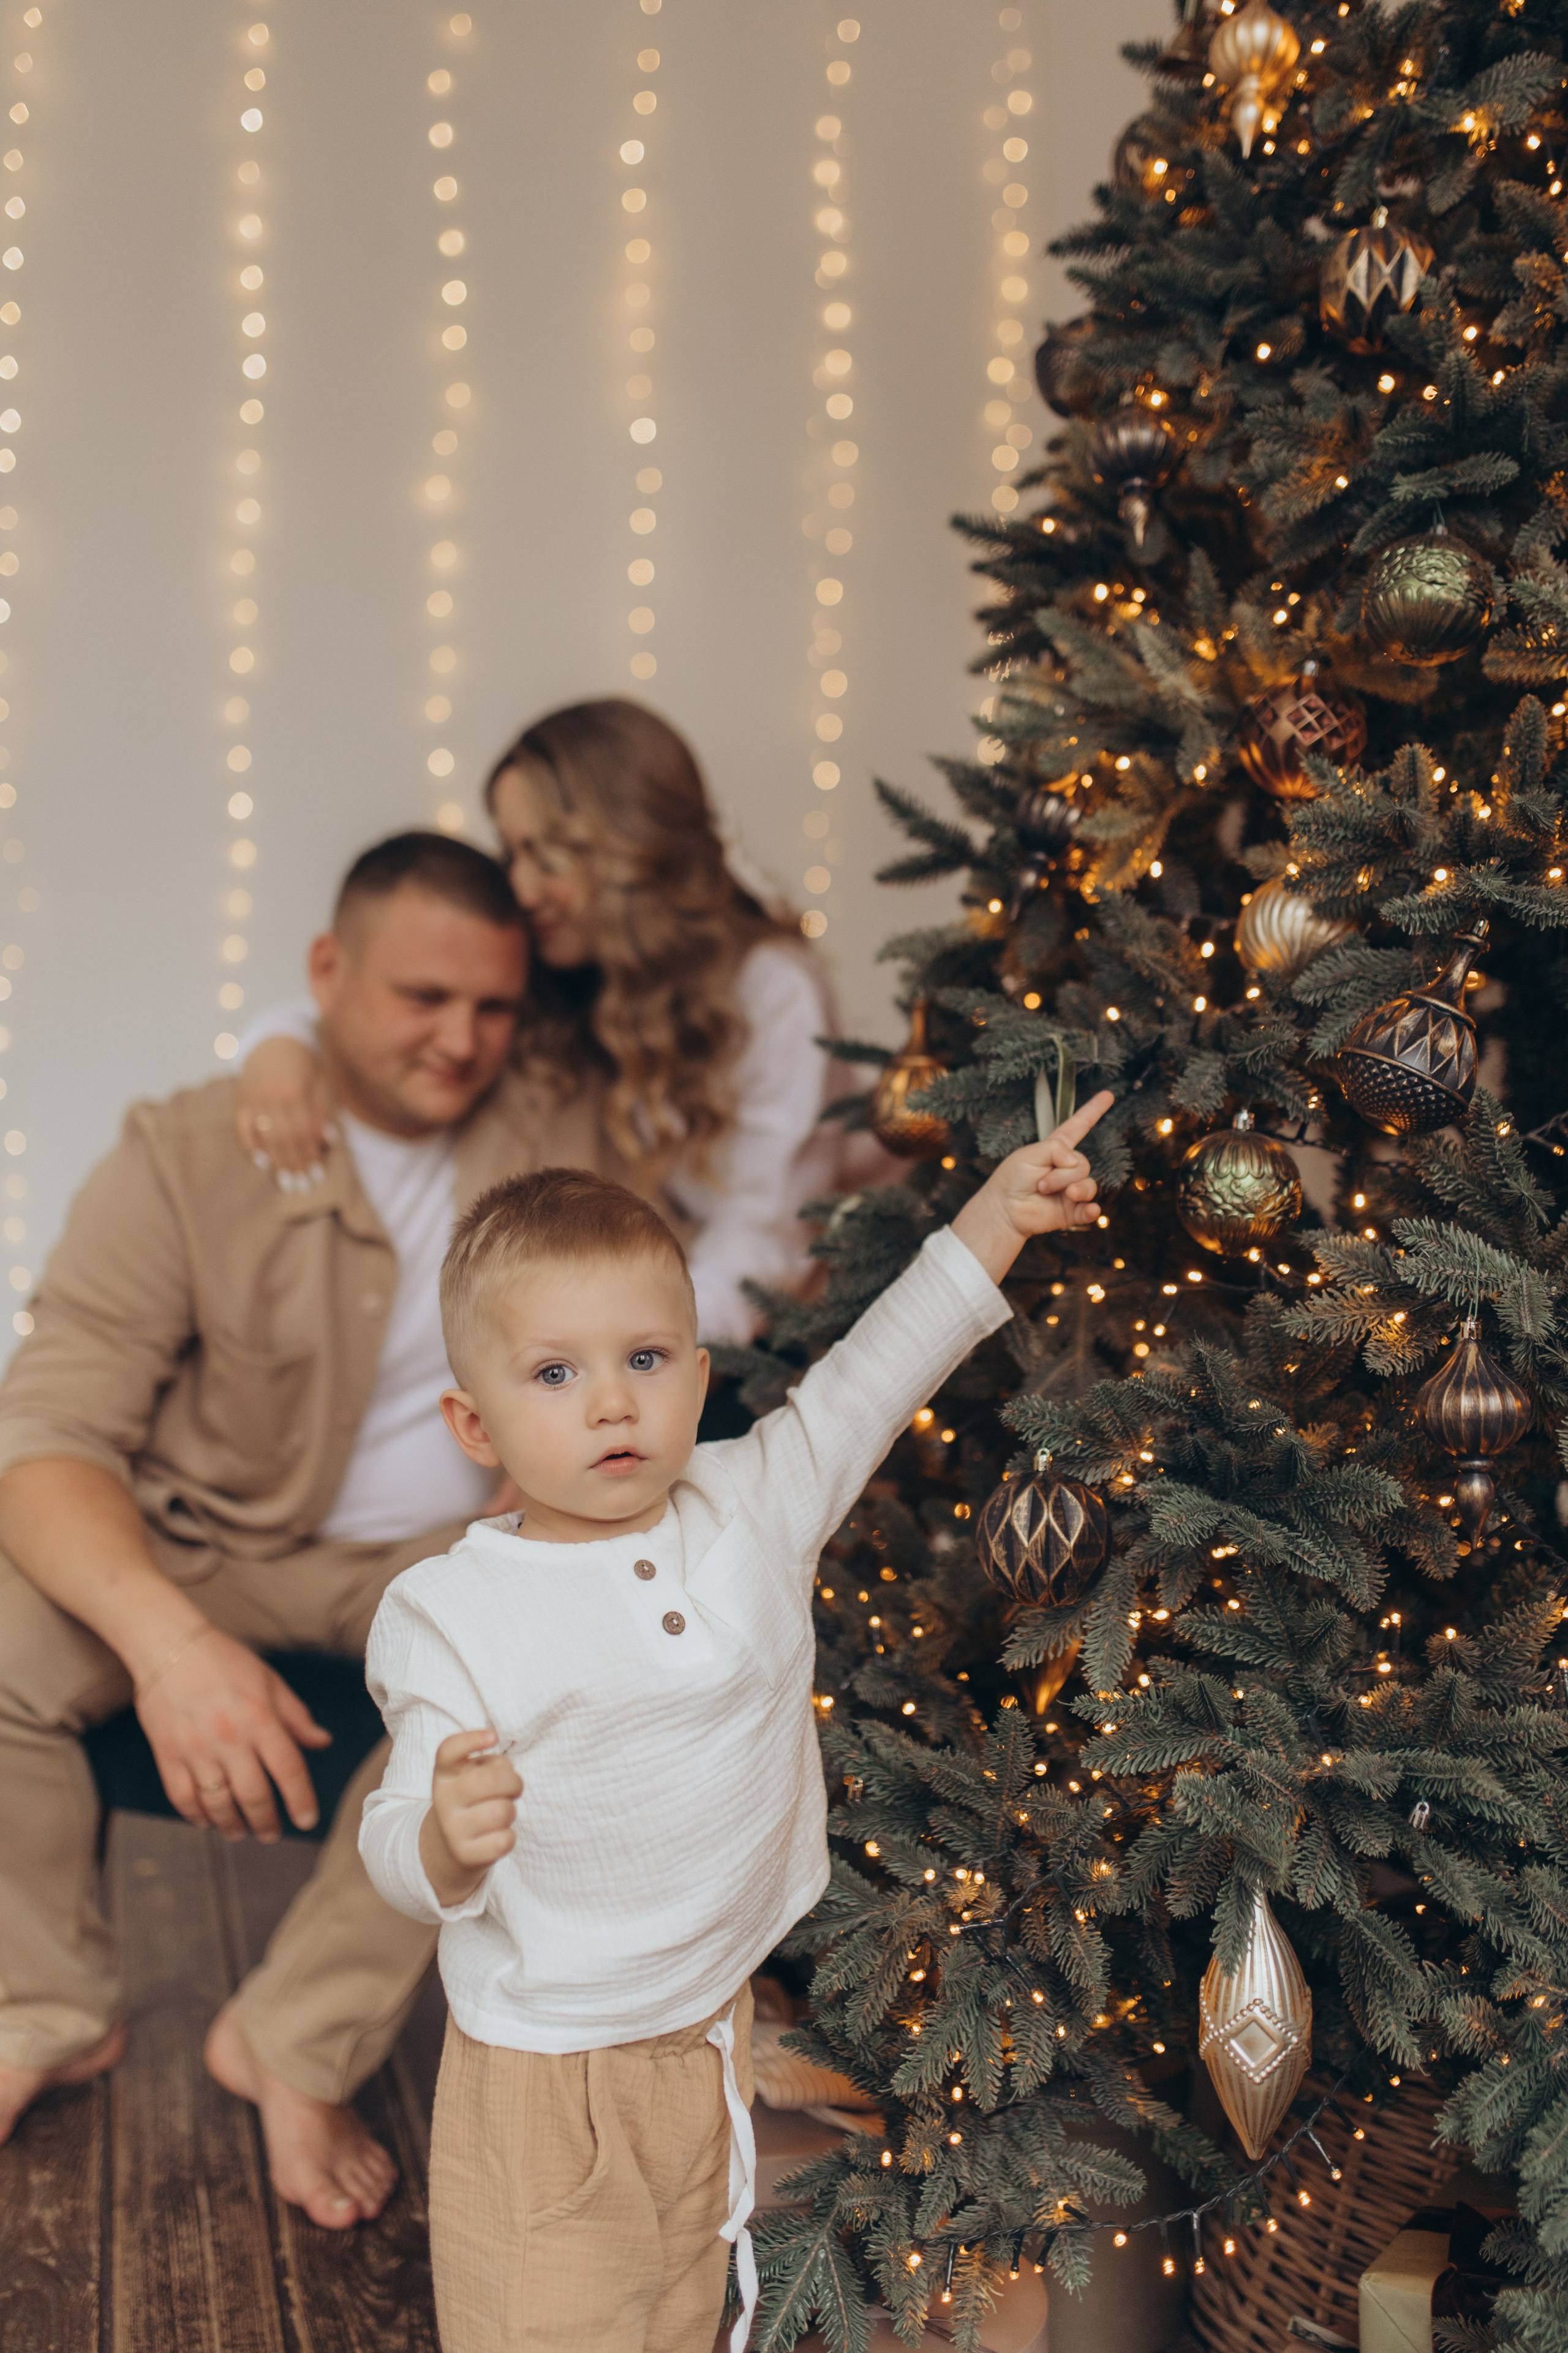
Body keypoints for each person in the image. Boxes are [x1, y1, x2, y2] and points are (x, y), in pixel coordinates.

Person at [357, 1092, 1113, 2353]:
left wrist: (997, 1214)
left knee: (677, 2314)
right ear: (473, 1423)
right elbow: (391, 1834)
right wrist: (439, 1838)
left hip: (710, 2020)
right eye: (556, 1373)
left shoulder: (748, 1501)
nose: (611, 1402)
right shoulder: (450, 1611)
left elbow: (876, 1370)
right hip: (551, 2067)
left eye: (644, 1359)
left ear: (696, 1376)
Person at [0, 831, 627, 2227]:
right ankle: (40, 2007)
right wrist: (171, 1648)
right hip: (196, 1544)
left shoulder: (557, 1138)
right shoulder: (181, 1151)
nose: (459, 1039)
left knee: (517, 1670)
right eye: (420, 997)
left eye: (490, 1006)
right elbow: (42, 1438)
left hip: (432, 1562)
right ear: (324, 972)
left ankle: (293, 2040)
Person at [235, 698, 862, 1343]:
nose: (522, 888)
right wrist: (277, 1044)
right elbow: (383, 1000)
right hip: (646, 1304)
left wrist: (630, 1351)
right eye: (511, 852)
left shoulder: (773, 990)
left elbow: (766, 1246)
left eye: (546, 855)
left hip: (755, 1335)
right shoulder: (568, 960)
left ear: (628, 848)